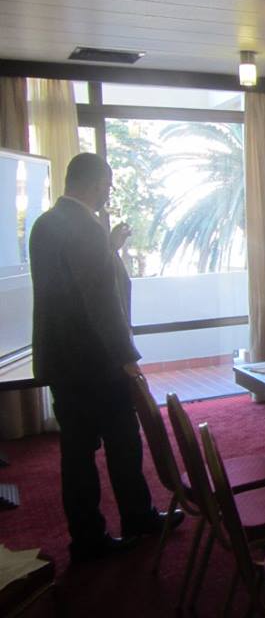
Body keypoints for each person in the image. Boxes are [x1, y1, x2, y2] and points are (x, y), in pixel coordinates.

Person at [30, 153, 182, 563]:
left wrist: (110, 247)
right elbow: (100, 302)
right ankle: (136, 517)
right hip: (95, 362)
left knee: (76, 453)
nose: (108, 192)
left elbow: (68, 287)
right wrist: (126, 356)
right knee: (124, 443)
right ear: (97, 182)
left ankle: (87, 536)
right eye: (108, 185)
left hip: (62, 360)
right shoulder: (85, 228)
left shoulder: (46, 224)